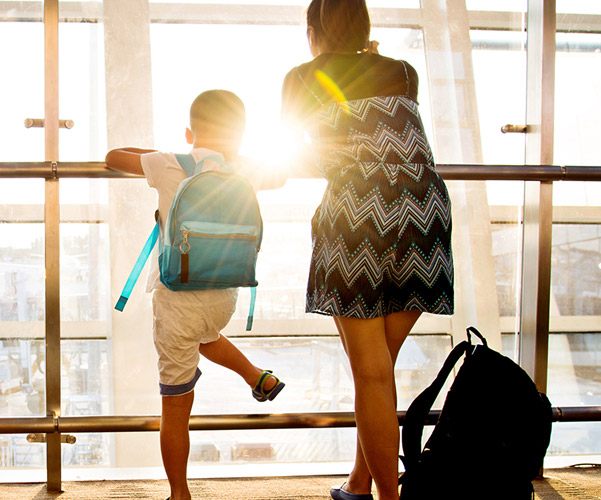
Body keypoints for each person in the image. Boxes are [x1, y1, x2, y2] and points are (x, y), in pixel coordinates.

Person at [280, 1, 455, 499]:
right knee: (379, 371)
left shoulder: (301, 78)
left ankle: (389, 499)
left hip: (358, 220)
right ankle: (359, 483)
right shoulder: (404, 72)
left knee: (372, 374)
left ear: (313, 31)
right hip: (424, 218)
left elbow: (299, 153)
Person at [106, 89, 288, 500]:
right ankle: (256, 376)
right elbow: (282, 175)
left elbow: (113, 157)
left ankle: (179, 494)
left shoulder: (171, 164)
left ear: (190, 133)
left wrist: (167, 156)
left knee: (175, 408)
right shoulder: (247, 170)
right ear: (240, 135)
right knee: (206, 335)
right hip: (224, 294)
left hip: (177, 296)